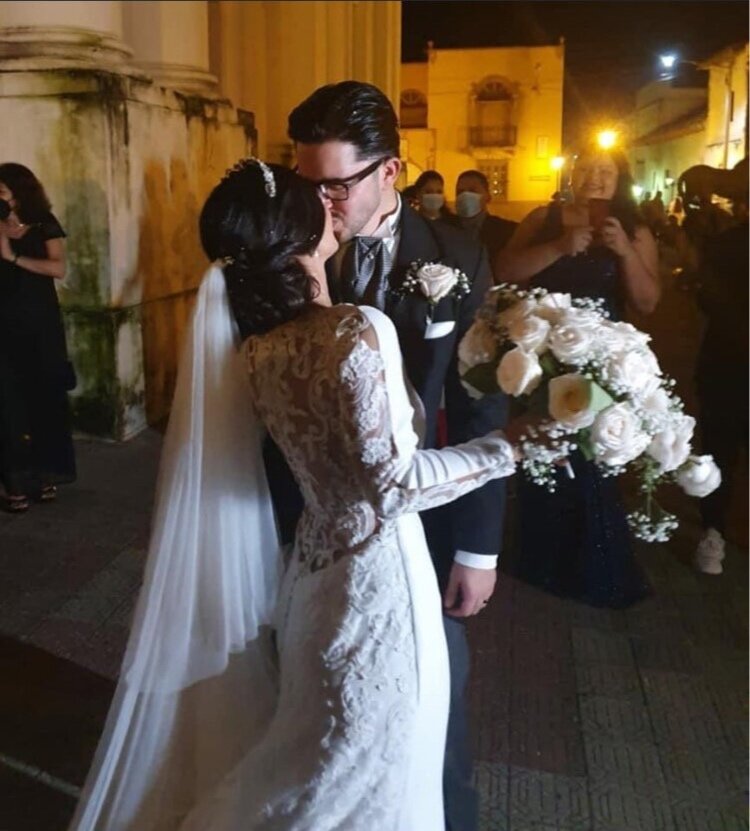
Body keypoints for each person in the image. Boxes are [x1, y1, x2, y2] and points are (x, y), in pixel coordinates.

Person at [68, 159, 520, 831]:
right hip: (380, 593)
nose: (331, 206)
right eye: (316, 199)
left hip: (312, 581)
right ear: (295, 230)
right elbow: (393, 486)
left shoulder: (259, 351)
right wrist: (515, 446)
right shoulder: (356, 329)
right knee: (373, 778)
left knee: (319, 760)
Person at [287, 81, 508, 831]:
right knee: (319, 706)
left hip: (422, 516)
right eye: (306, 184)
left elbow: (481, 404)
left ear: (390, 170)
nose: (319, 204)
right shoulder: (290, 251)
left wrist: (478, 548)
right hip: (315, 521)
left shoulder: (458, 257)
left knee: (434, 706)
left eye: (335, 186)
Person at [497, 143, 660, 608]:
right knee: (543, 453)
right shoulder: (542, 219)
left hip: (604, 362)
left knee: (591, 461)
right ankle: (539, 561)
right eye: (586, 168)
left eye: (605, 170)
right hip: (543, 356)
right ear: (571, 174)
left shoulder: (633, 228)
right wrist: (558, 247)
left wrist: (624, 251)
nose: (595, 177)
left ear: (620, 179)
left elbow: (648, 301)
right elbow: (503, 271)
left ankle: (592, 569)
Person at [0, 162, 75, 512]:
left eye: (2, 191)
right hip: (4, 326)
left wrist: (13, 257)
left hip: (39, 325)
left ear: (19, 192)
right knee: (7, 403)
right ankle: (14, 482)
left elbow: (58, 268)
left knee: (43, 397)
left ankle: (44, 476)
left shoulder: (45, 223)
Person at [692, 208, 748, 574]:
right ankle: (713, 531)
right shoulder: (726, 244)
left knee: (721, 450)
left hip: (725, 363)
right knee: (719, 452)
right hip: (727, 366)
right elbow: (708, 297)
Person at [454, 169, 517, 278]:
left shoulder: (507, 231)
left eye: (473, 190)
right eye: (460, 192)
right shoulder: (445, 230)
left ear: (488, 196)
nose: (465, 195)